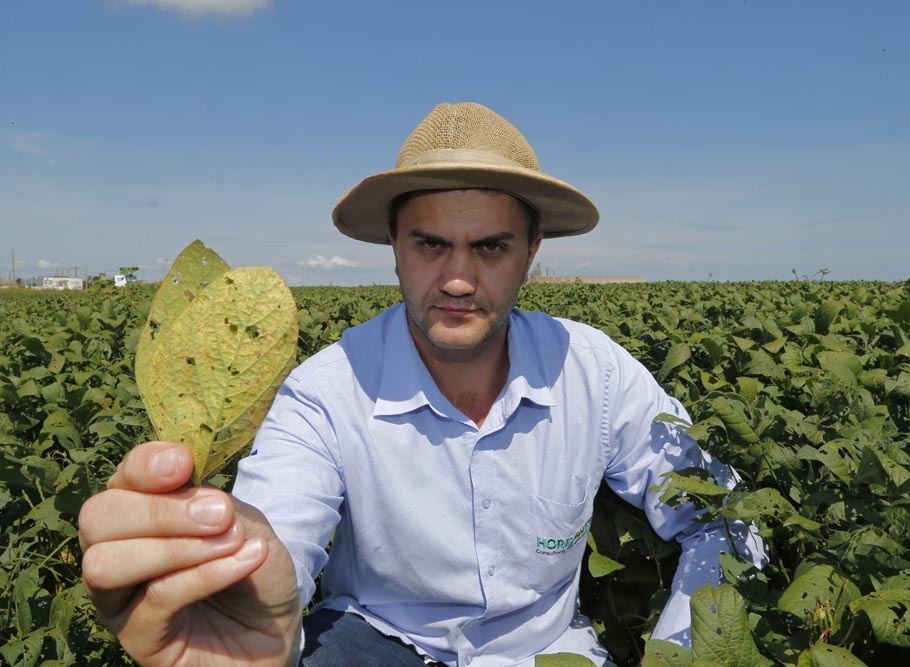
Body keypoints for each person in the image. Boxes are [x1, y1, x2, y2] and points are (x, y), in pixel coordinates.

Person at [79, 102, 766, 667]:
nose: (459, 279)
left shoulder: (597, 374)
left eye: (491, 246)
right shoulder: (326, 389)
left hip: (546, 651)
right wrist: (240, 585)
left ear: (531, 252)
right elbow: (278, 535)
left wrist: (687, 649)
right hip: (375, 641)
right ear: (394, 247)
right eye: (431, 244)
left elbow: (726, 517)